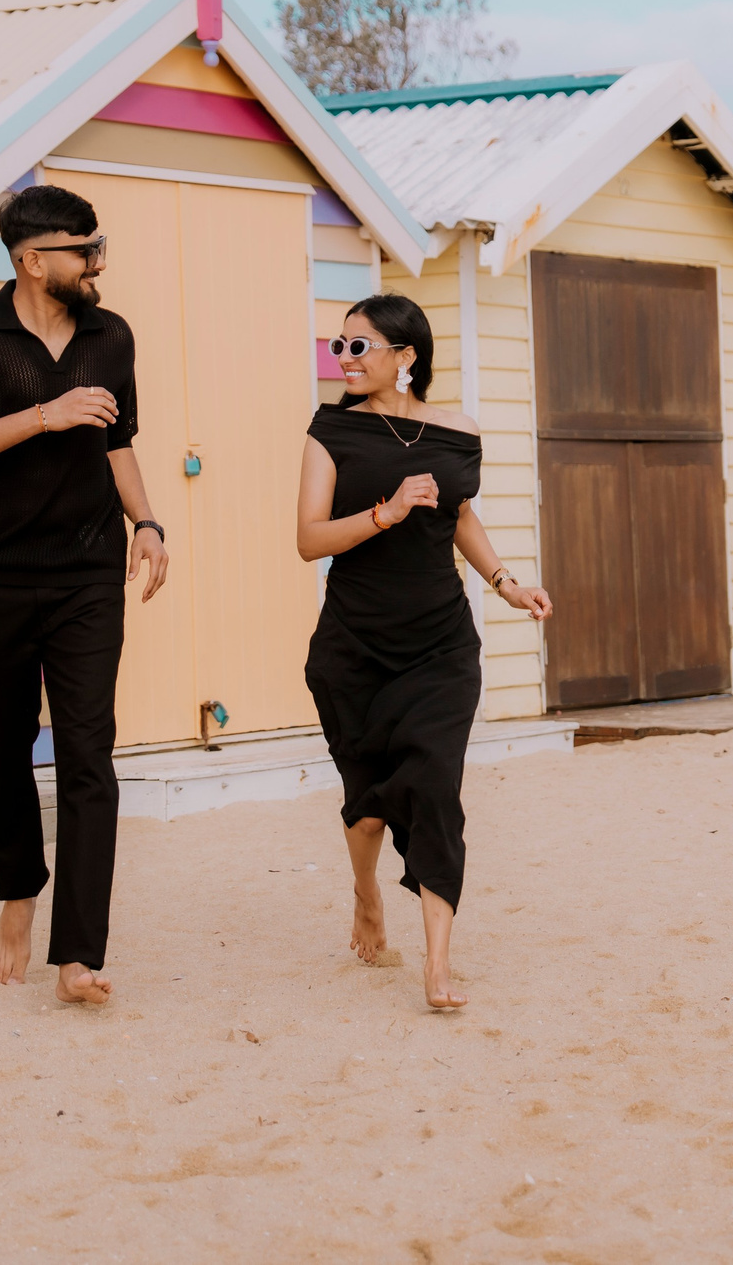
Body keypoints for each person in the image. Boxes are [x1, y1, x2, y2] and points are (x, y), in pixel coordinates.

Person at [0, 184, 170, 1006]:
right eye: (83, 250)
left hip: (88, 572)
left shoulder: (111, 335)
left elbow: (119, 440)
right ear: (31, 260)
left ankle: (79, 952)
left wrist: (148, 522)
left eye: (100, 247)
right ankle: (19, 893)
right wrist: (43, 415)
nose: (99, 262)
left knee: (90, 754)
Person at [297, 293, 552, 1012]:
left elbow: (460, 516)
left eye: (358, 346)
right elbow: (308, 539)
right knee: (369, 806)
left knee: (436, 787)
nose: (343, 359)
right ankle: (365, 893)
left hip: (439, 644)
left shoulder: (458, 432)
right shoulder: (329, 430)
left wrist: (505, 582)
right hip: (354, 645)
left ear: (404, 356)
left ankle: (438, 964)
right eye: (337, 346)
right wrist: (385, 511)